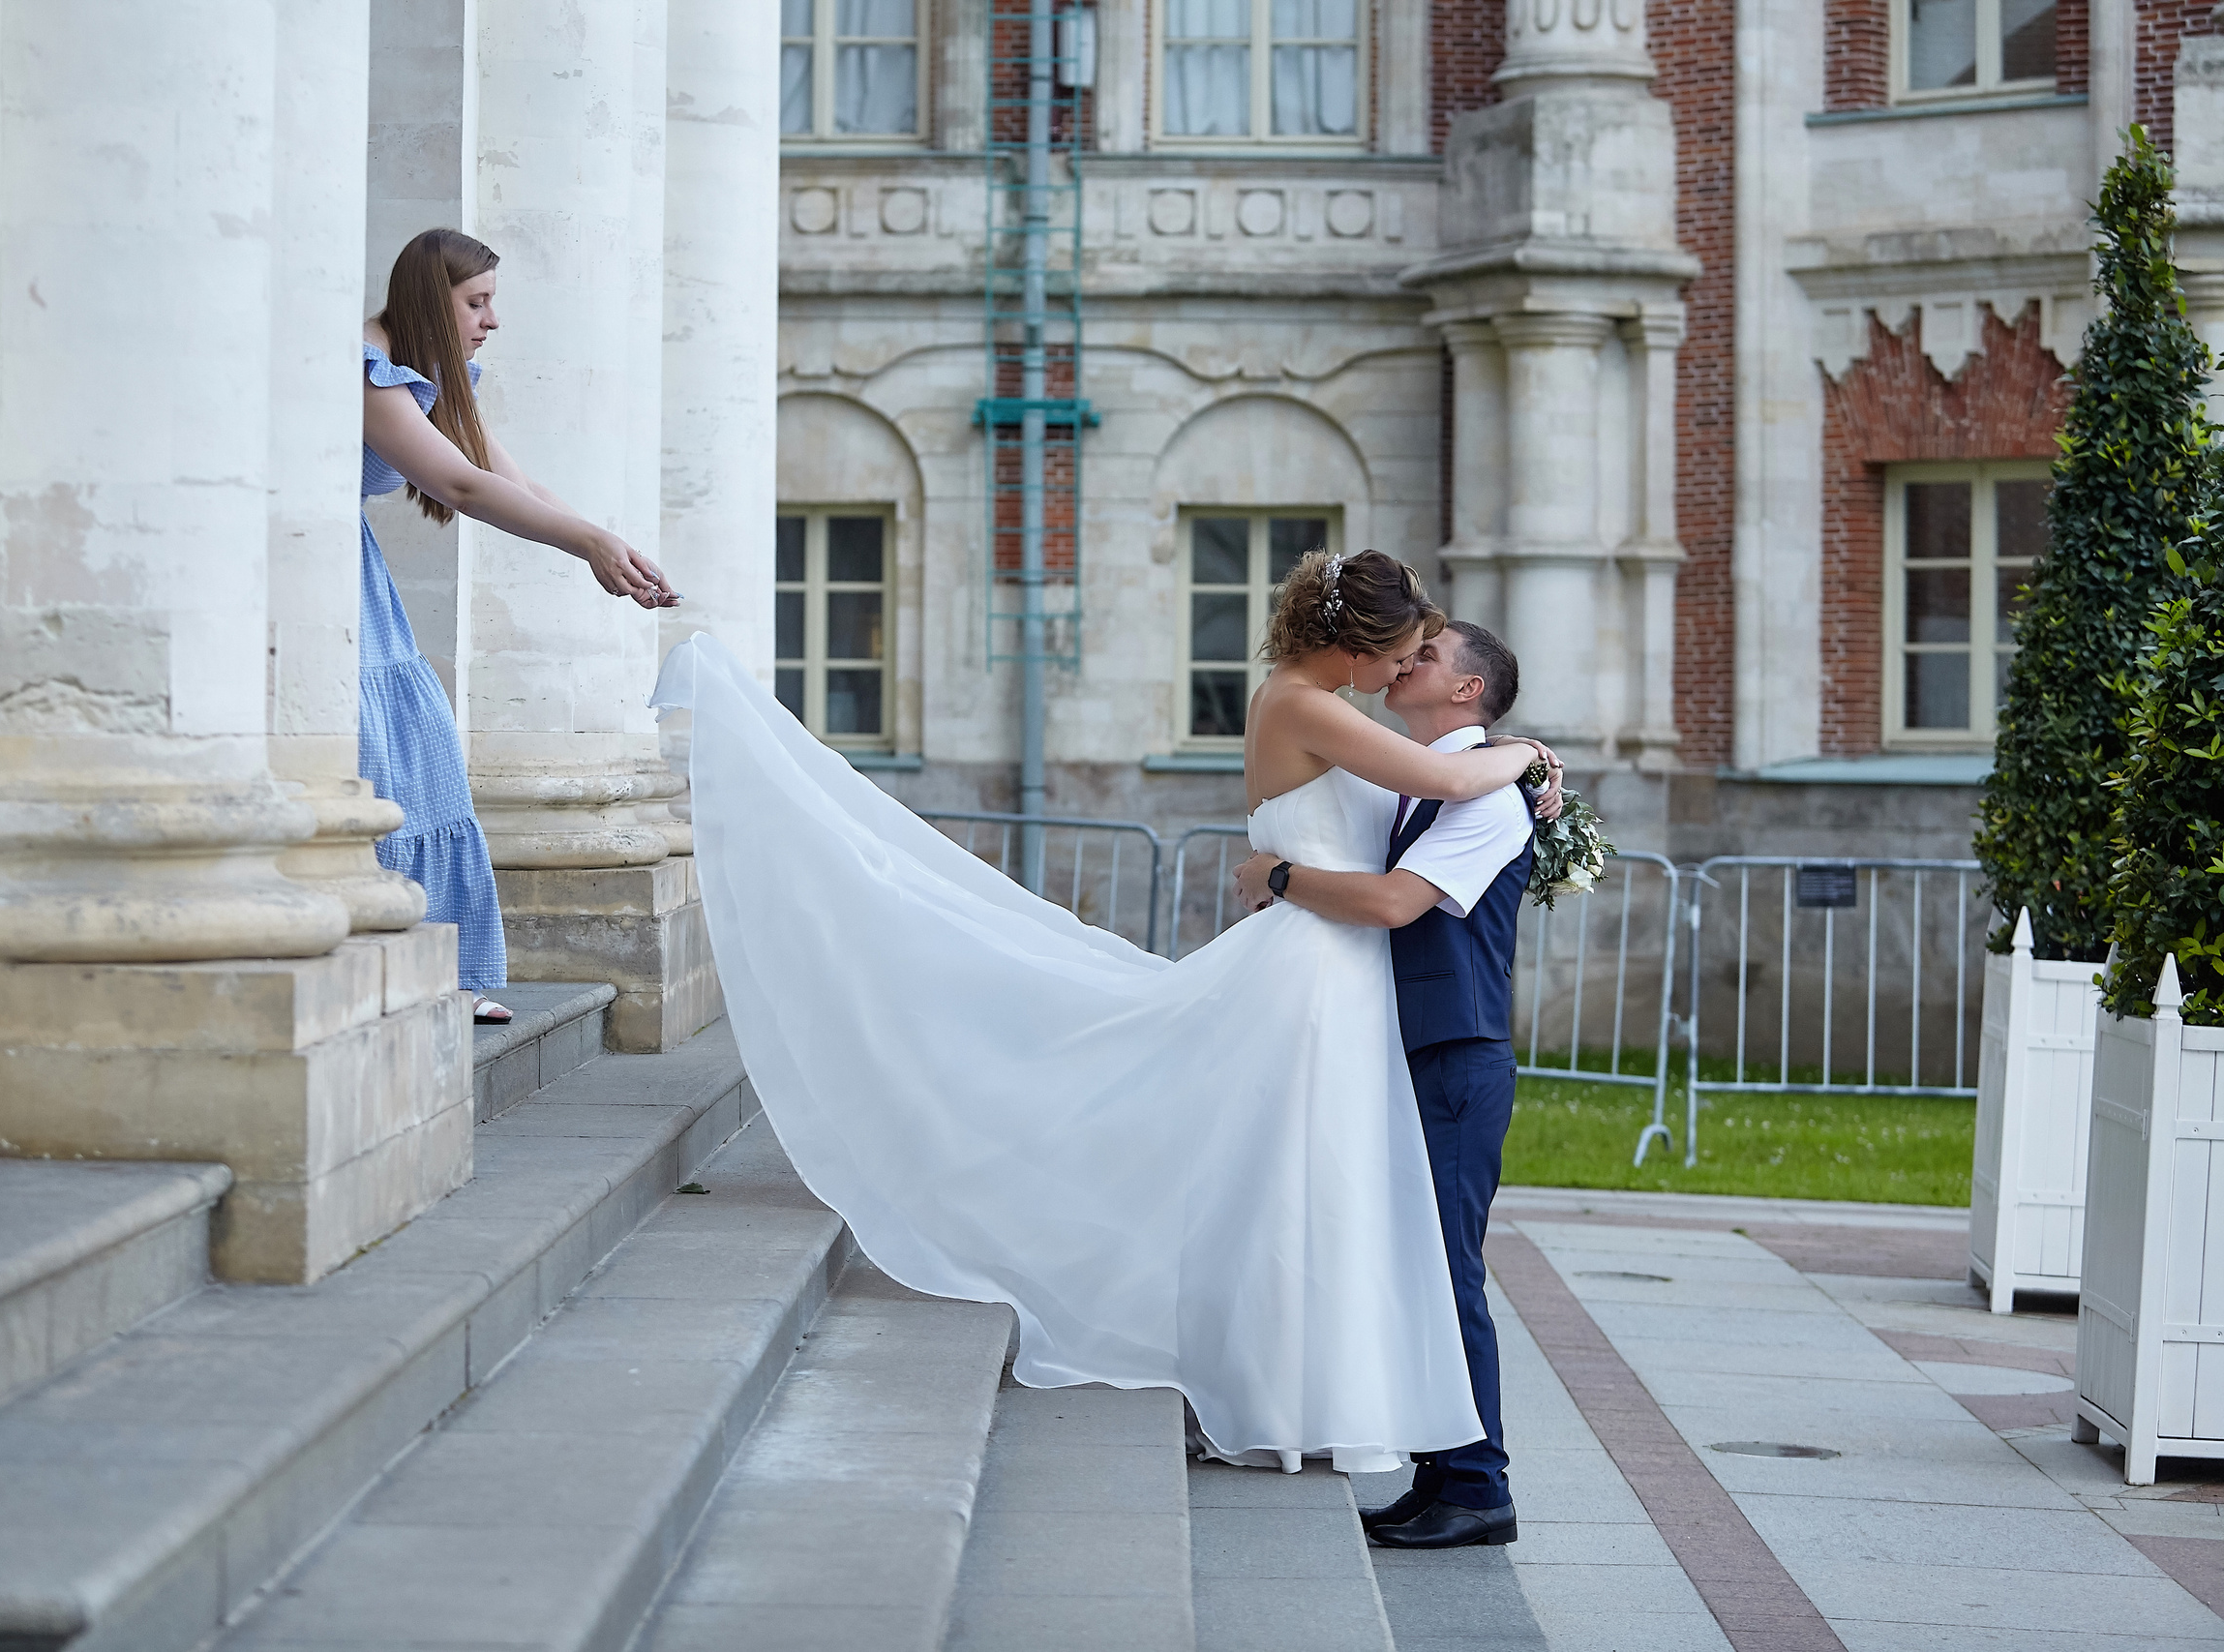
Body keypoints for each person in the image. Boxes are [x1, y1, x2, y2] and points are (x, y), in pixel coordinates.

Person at [649, 551, 1564, 1476]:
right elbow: (1441, 786)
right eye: (1398, 652)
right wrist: (1524, 752)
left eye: (1419, 657)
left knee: (1309, 1192)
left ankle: (1304, 1393)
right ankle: (1272, 1395)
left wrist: (1508, 779)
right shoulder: (1302, 702)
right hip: (1314, 978)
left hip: (1340, 974)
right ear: (1356, 645)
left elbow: (1423, 799)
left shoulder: (1328, 711)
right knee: (1285, 1190)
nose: (1400, 672)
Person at [1231, 619, 1536, 1549]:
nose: (1409, 663)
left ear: (1467, 693)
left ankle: (1479, 1483)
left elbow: (1397, 903)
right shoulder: (1421, 780)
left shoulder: (1491, 800)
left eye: (1431, 657)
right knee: (1417, 1263)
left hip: (1457, 1052)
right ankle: (1437, 1468)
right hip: (1411, 1048)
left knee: (1449, 1269)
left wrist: (1277, 874)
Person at [358, 228, 677, 1024]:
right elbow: (459, 486)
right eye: (478, 302)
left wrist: (610, 547)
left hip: (353, 577)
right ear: (435, 297)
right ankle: (390, 966)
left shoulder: (431, 373)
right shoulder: (365, 366)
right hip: (323, 576)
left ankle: (446, 973)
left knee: (422, 753)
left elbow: (512, 478)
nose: (492, 321)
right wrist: (587, 544)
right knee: (379, 759)